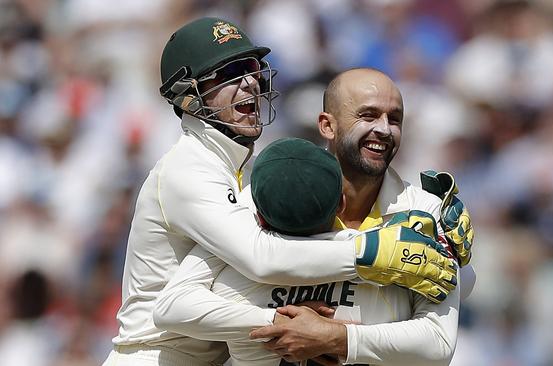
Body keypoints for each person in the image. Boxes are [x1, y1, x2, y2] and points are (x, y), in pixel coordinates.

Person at [103, 17, 458, 366]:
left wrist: (454, 258)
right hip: (153, 357)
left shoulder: (245, 165)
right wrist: (370, 254)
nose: (250, 83)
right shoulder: (190, 169)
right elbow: (259, 257)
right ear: (188, 97)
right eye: (228, 75)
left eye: (252, 68)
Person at [247, 68, 476, 364]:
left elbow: (439, 343)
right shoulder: (277, 192)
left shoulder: (425, 210)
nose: (384, 129)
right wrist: (274, 316)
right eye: (368, 115)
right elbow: (189, 302)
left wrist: (336, 338)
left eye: (394, 119)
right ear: (327, 125)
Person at [207, 136, 461, 366]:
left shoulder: (228, 285)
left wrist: (273, 318)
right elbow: (438, 344)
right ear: (341, 204)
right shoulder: (390, 269)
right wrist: (335, 338)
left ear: (258, 217)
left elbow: (174, 307)